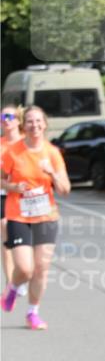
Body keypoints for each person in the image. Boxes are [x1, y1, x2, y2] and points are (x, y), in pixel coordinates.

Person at [1, 105, 71, 330]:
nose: (35, 125)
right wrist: (14, 186)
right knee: (25, 268)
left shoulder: (52, 152)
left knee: (41, 268)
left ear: (45, 124)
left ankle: (33, 313)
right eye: (30, 121)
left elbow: (65, 189)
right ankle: (12, 288)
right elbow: (1, 180)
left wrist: (51, 173)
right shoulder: (13, 152)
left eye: (39, 121)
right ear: (25, 125)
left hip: (46, 216)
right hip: (18, 215)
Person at [1, 105, 27, 296]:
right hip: (3, 194)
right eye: (2, 116)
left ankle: (21, 275)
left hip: (27, 198)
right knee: (5, 229)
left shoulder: (27, 143)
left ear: (18, 120)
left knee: (26, 241)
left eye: (9, 116)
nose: (5, 119)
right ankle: (11, 282)